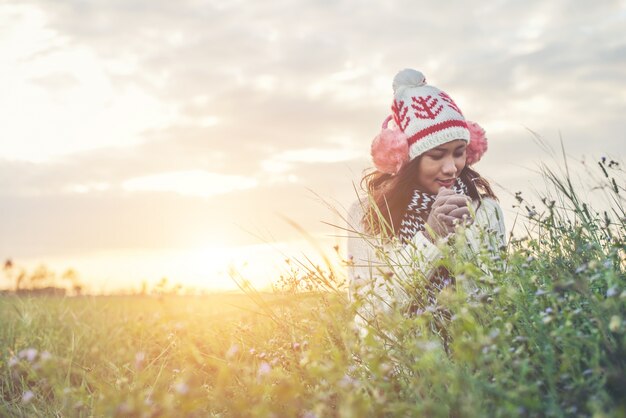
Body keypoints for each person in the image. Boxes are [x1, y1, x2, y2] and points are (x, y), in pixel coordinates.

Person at [346, 68, 506, 337]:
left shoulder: (485, 210)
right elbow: (369, 314)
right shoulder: (366, 214)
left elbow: (493, 304)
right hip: (396, 371)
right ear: (407, 159)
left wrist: (461, 237)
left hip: (471, 365)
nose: (451, 168)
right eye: (436, 155)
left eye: (458, 153)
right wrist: (430, 237)